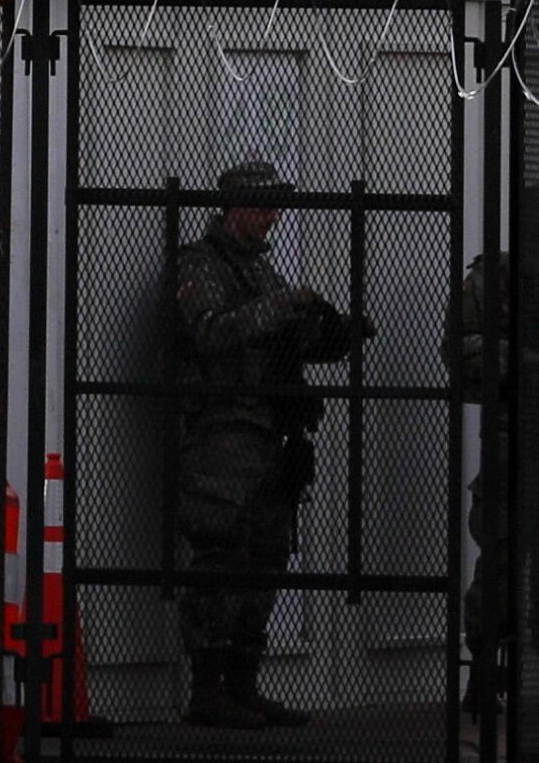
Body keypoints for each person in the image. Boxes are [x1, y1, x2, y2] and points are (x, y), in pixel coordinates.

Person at [163, 158, 373, 730]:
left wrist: (335, 333)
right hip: (222, 433)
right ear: (234, 211)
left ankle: (242, 682)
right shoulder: (201, 266)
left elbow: (294, 340)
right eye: (264, 207)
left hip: (269, 435)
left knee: (267, 554)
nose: (274, 217)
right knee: (219, 551)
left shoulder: (264, 274)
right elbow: (211, 332)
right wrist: (289, 306)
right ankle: (208, 688)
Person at [448, 177, 539, 714]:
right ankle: (483, 678)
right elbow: (460, 349)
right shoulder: (494, 278)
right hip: (512, 447)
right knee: (501, 569)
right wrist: (526, 365)